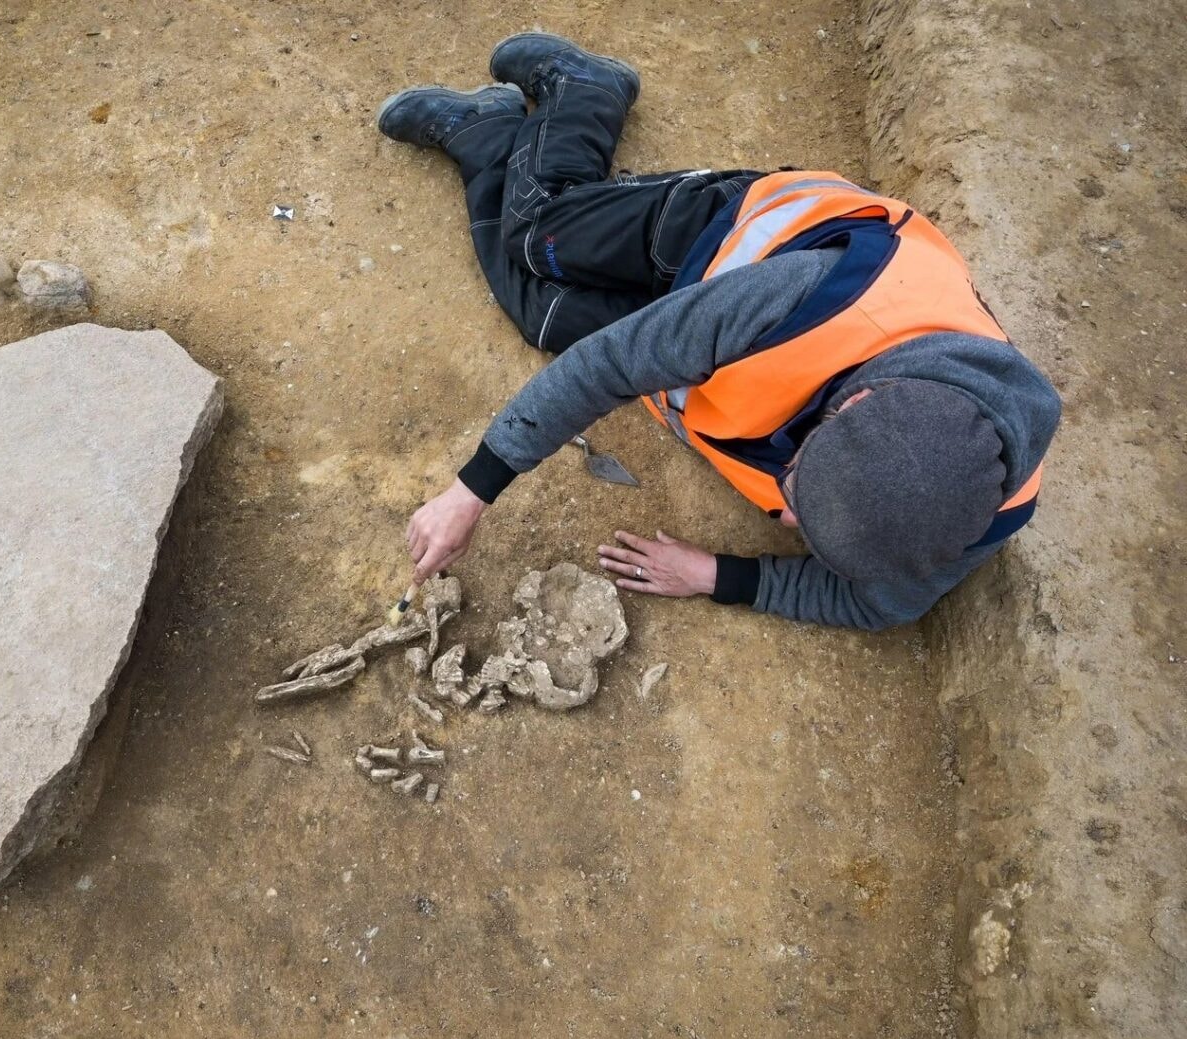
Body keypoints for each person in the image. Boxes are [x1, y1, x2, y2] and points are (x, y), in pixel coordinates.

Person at [375, 32, 1061, 630]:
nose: (789, 522)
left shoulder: (980, 513)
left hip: (712, 337)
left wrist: (715, 575)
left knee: (540, 312)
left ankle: (489, 137)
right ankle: (587, 90)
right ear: (854, 404)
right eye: (798, 491)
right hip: (720, 237)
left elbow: (880, 605)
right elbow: (608, 365)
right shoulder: (816, 300)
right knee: (537, 243)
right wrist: (471, 493)